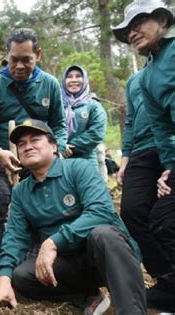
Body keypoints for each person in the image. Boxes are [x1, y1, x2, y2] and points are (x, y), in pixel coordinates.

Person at [0, 119, 146, 314]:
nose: (27, 147)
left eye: (35, 140)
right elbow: (14, 236)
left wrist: (53, 242)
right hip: (69, 264)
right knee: (22, 276)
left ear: (54, 146)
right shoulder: (21, 192)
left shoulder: (79, 169)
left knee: (103, 234)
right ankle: (88, 297)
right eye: (21, 144)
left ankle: (131, 310)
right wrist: (3, 277)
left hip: (108, 254)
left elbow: (101, 212)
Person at [0, 28, 67, 294]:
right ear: (7, 55)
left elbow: (58, 123)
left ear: (38, 54)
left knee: (42, 213)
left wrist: (55, 149)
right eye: (14, 59)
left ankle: (34, 271)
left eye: (27, 59)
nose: (20, 66)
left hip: (38, 160)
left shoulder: (48, 84)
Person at [112, 0, 175, 310]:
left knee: (165, 217)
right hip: (146, 151)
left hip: (165, 152)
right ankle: (169, 280)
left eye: (139, 23)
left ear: (162, 20)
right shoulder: (143, 77)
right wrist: (170, 167)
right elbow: (153, 125)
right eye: (127, 30)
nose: (132, 32)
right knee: (135, 213)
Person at [60, 65, 107, 169]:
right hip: (58, 161)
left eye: (78, 76)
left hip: (87, 162)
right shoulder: (56, 104)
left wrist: (69, 147)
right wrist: (59, 145)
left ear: (85, 80)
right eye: (69, 77)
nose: (74, 80)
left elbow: (96, 134)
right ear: (63, 80)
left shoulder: (93, 106)